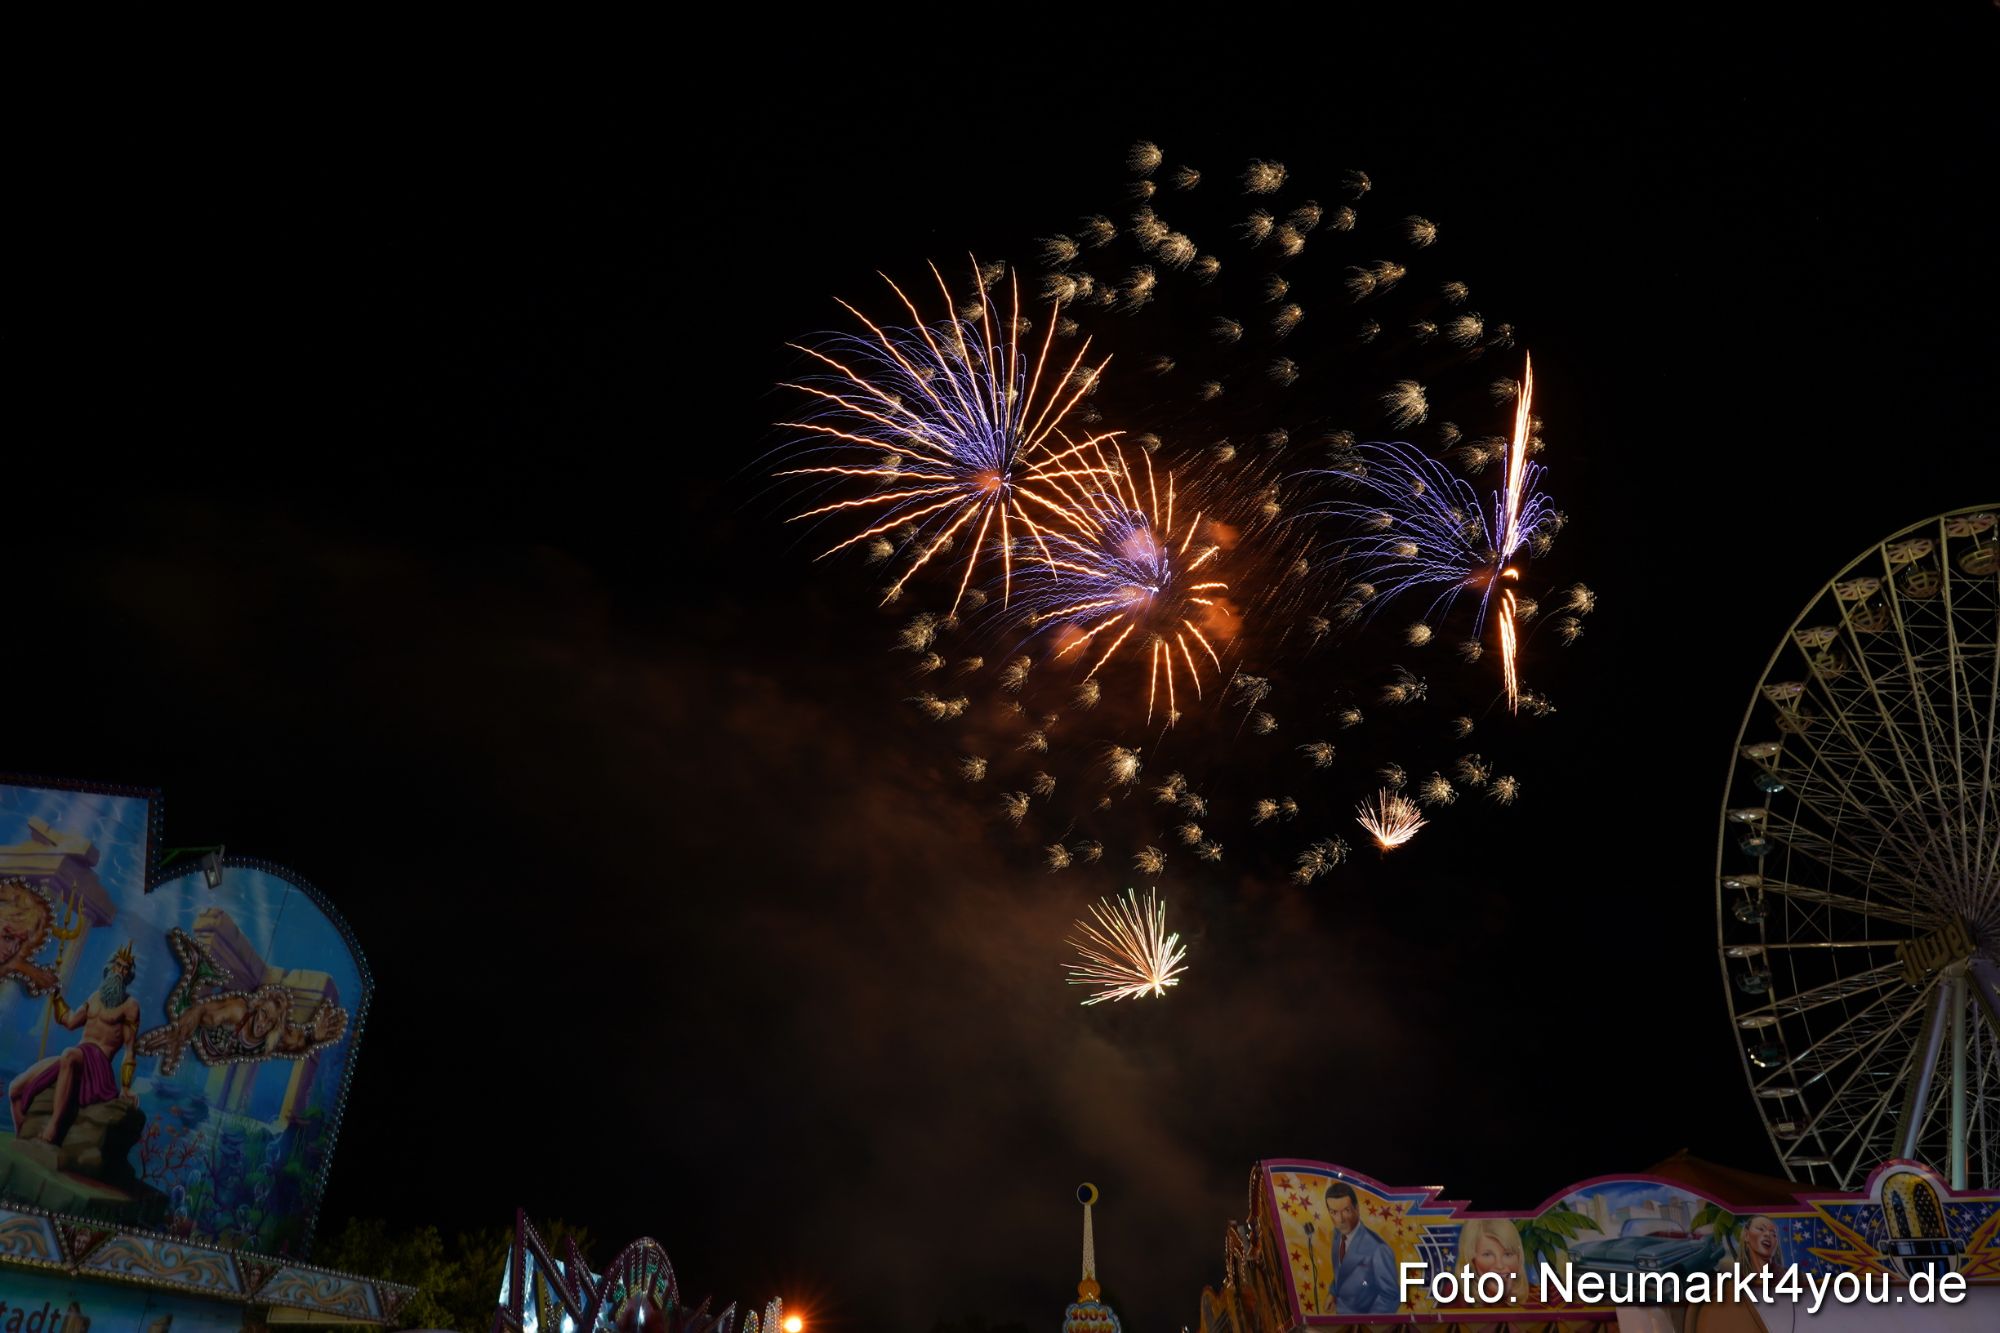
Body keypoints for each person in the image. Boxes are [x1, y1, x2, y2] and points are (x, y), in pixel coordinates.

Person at [8, 942, 140, 1143]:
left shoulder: (131, 1006)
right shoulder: (94, 997)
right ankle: (21, 1137)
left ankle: (54, 1126)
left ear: (129, 975)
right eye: (118, 966)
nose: (120, 972)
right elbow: (69, 1021)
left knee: (69, 1054)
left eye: (125, 969)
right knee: (15, 1089)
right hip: (78, 1055)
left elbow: (130, 1050)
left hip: (98, 1064)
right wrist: (56, 995)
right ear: (110, 967)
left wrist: (126, 1087)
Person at [1323, 1181, 1399, 1315]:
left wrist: (1367, 1323)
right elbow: (1343, 1271)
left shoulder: (1378, 1249)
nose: (1340, 1220)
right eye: (1334, 1212)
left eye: (1346, 1211)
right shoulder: (1337, 1236)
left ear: (1357, 1209)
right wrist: (1333, 1293)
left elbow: (1391, 1296)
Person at [1454, 1217, 1535, 1307]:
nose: (1499, 1265)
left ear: (1519, 1257)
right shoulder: (1453, 1299)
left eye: (1508, 1254)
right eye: (1487, 1255)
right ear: (1471, 1260)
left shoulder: (1535, 1298)